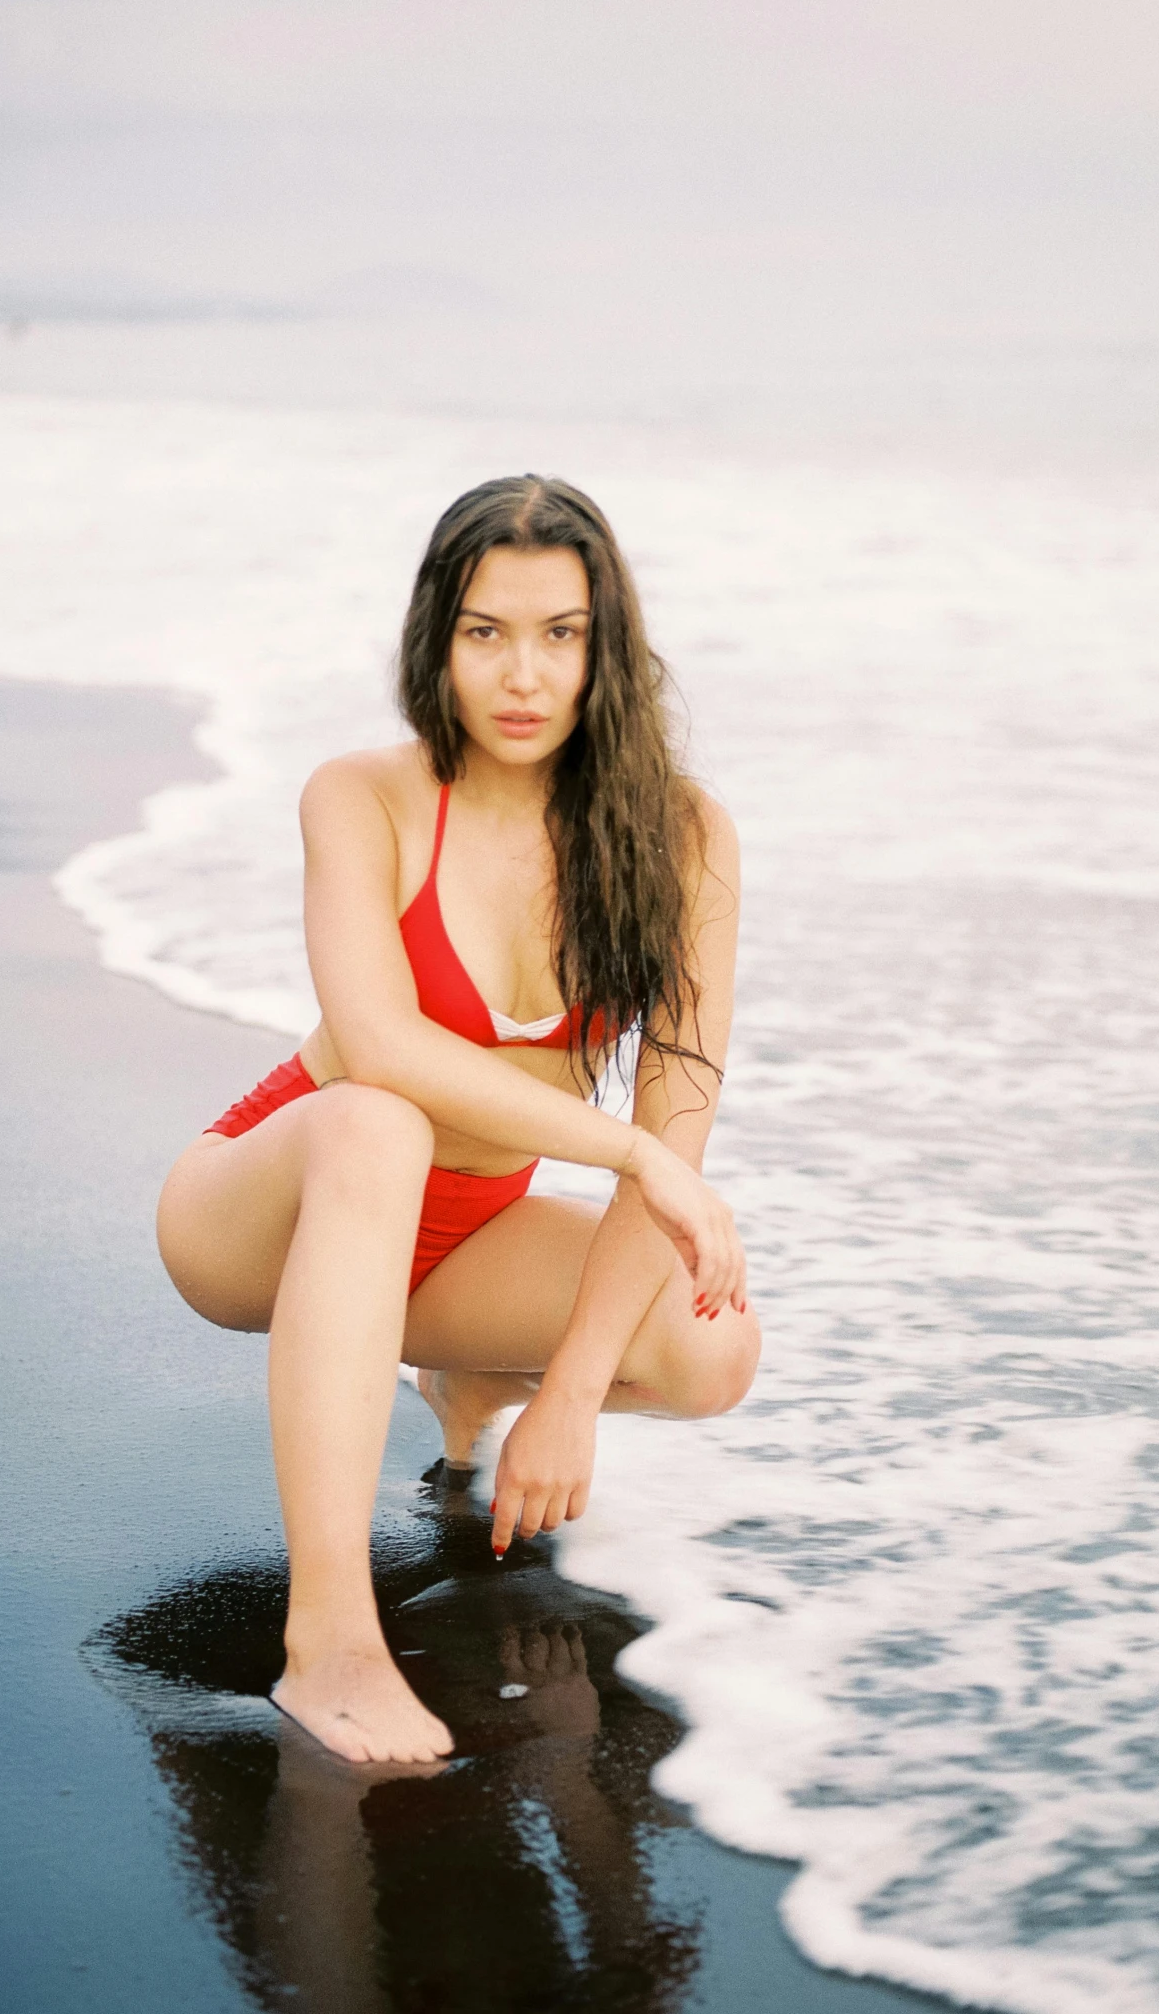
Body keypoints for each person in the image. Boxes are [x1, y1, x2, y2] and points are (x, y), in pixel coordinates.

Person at [156, 475, 760, 1767]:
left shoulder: (683, 837)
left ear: (608, 649)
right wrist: (626, 1152)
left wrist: (572, 1395)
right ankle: (328, 1644)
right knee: (379, 1118)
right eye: (484, 631)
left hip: (463, 1234)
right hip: (266, 1207)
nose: (521, 673)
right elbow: (378, 1046)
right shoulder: (361, 797)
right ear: (437, 639)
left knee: (711, 1350)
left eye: (559, 633)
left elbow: (680, 1115)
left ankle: (476, 1374)